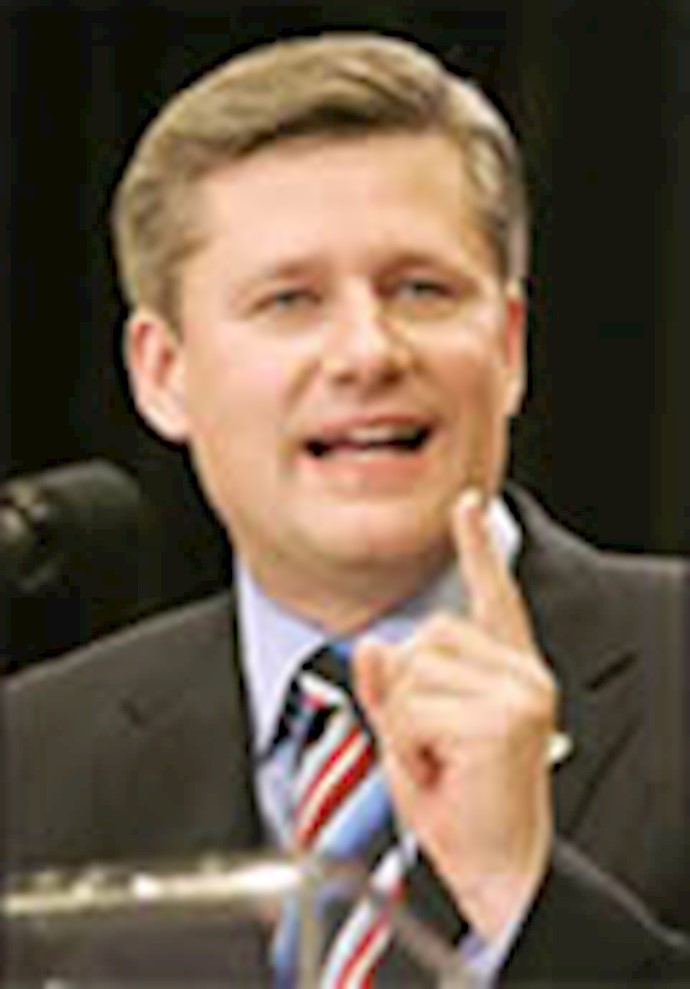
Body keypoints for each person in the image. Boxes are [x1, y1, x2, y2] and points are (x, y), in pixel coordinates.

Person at [6, 32, 690, 986]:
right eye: (290, 300)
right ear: (163, 373)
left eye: (421, 290)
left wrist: (523, 893)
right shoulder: (30, 756)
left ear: (509, 346)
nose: (368, 352)